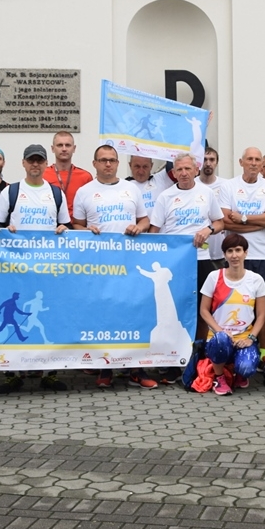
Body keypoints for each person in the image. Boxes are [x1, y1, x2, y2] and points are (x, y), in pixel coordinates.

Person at [72, 144, 155, 390]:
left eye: (112, 160)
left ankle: (136, 369)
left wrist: (139, 228)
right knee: (105, 314)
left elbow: (145, 219)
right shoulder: (84, 191)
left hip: (129, 264)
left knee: (132, 313)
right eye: (103, 160)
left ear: (118, 164)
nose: (108, 164)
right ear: (94, 163)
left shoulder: (131, 189)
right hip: (99, 267)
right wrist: (87, 230)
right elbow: (76, 224)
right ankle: (105, 368)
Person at [0, 144, 72, 393]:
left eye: (39, 161)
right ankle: (12, 373)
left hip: (48, 269)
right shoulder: (11, 192)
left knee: (51, 317)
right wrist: (7, 231)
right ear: (23, 164)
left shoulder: (56, 193)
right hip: (17, 269)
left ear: (46, 164)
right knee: (15, 319)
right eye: (31, 161)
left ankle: (50, 372)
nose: (35, 165)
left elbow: (66, 227)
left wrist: (63, 230)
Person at [149, 153, 225, 339]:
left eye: (187, 169)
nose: (184, 173)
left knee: (203, 307)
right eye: (180, 170)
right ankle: (175, 354)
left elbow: (220, 223)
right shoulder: (165, 197)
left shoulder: (206, 193)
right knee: (178, 308)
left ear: (196, 170)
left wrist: (208, 229)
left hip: (201, 259)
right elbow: (153, 232)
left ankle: (199, 351)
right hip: (175, 263)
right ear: (174, 173)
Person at [199, 234, 265, 395]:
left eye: (238, 250)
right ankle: (219, 377)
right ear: (224, 255)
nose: (234, 255)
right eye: (230, 251)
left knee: (246, 368)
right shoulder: (214, 277)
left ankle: (239, 375)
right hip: (218, 339)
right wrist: (219, 331)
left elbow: (262, 315)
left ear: (246, 253)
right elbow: (204, 310)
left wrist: (251, 338)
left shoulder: (256, 280)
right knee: (221, 340)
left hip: (243, 339)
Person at [220, 147, 265, 304]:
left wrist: (244, 218)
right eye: (249, 159)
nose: (253, 163)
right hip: (237, 255)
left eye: (257, 160)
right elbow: (225, 222)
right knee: (238, 304)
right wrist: (261, 222)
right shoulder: (229, 186)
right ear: (241, 162)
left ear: (261, 164)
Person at [43, 131, 93, 221]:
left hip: (77, 228)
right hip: (50, 227)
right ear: (52, 148)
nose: (64, 149)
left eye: (68, 145)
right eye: (59, 145)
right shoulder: (43, 174)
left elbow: (91, 206)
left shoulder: (85, 177)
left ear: (74, 148)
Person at [198, 146, 227, 266]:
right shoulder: (193, 185)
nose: (208, 163)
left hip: (221, 248)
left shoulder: (226, 185)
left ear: (217, 163)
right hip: (198, 249)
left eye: (211, 160)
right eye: (204, 160)